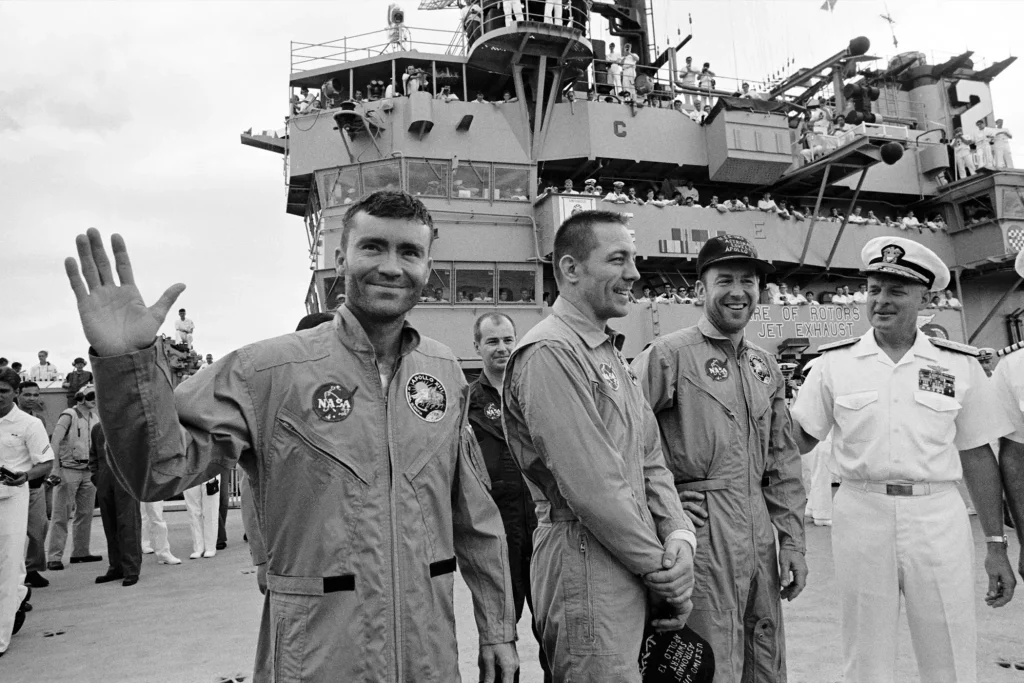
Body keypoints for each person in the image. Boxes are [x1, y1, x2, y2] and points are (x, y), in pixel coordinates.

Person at [64, 192, 518, 682]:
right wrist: (126, 364)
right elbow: (158, 472)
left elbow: (475, 516)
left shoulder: (443, 371)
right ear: (341, 258)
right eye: (373, 247)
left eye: (409, 252)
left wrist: (497, 629)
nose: (391, 266)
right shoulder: (267, 371)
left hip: (428, 658)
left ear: (428, 267)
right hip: (318, 660)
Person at [791, 236, 1017, 683]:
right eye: (874, 289)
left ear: (925, 299)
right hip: (861, 511)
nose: (881, 301)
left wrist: (996, 544)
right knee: (865, 654)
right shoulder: (834, 364)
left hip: (937, 515)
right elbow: (798, 440)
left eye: (896, 291)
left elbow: (977, 455)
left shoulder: (959, 365)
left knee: (949, 648)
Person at [501, 210, 696, 682]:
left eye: (633, 259)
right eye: (617, 259)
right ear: (570, 269)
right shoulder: (550, 353)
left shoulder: (608, 354)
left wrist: (679, 536)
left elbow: (650, 461)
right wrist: (663, 573)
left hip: (629, 558)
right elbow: (594, 489)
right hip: (585, 564)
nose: (634, 273)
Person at [632, 234, 807, 683]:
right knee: (705, 663)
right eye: (724, 280)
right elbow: (620, 443)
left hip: (759, 541)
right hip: (701, 539)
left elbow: (782, 463)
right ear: (699, 290)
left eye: (748, 281)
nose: (738, 291)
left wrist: (792, 541)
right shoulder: (668, 356)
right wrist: (663, 512)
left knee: (762, 658)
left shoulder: (765, 366)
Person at [469, 313, 550, 682]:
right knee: (498, 640)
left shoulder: (535, 392)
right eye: (492, 341)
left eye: (507, 340)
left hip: (543, 530)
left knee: (554, 631)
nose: (501, 348)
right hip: (495, 536)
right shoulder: (466, 403)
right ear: (477, 347)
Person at [0, 368, 52, 658]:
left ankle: (1, 637)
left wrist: (26, 476)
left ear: (15, 393)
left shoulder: (29, 424)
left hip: (12, 498)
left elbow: (45, 462)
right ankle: (20, 595)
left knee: (8, 566)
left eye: (3, 391)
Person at [46, 383, 101, 570]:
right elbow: (55, 441)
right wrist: (55, 469)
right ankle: (54, 556)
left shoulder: (94, 417)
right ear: (80, 398)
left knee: (85, 513)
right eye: (90, 395)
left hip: (88, 471)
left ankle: (81, 552)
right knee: (61, 515)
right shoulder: (69, 415)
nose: (94, 399)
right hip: (68, 470)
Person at [90, 412, 142, 586]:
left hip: (126, 481)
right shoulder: (97, 429)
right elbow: (93, 456)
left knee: (128, 525)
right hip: (105, 481)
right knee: (110, 526)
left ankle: (131, 568)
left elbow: (142, 455)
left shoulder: (130, 427)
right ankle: (116, 566)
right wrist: (97, 477)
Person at [15, 382, 52, 588]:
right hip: (11, 484)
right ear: (17, 394)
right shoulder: (8, 420)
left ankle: (32, 569)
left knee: (39, 528)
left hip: (34, 483)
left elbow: (44, 451)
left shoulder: (38, 421)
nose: (31, 398)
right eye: (27, 394)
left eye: (35, 395)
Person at [184, 474, 221, 560]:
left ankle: (210, 547)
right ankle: (198, 547)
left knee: (210, 511)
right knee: (193, 511)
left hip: (209, 471)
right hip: (189, 473)